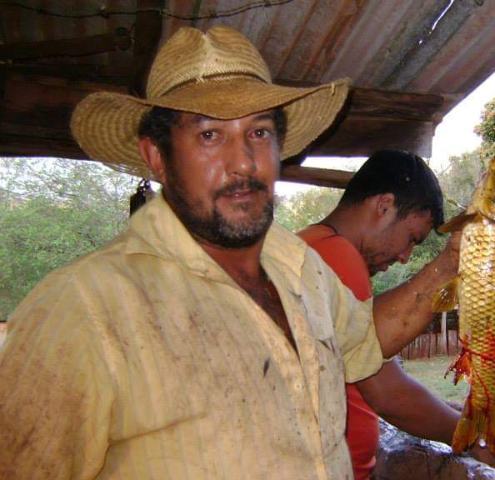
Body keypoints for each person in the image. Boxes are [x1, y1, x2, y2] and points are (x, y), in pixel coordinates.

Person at [0, 26, 459, 480]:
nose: (243, 162)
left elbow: (366, 341)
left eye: (258, 133)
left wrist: (457, 256)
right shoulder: (83, 306)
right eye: (209, 136)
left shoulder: (300, 267)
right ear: (157, 156)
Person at [297, 150, 495, 479]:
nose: (405, 257)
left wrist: (454, 413)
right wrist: (472, 436)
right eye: (411, 238)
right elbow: (387, 392)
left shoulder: (312, 245)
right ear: (384, 205)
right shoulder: (336, 256)